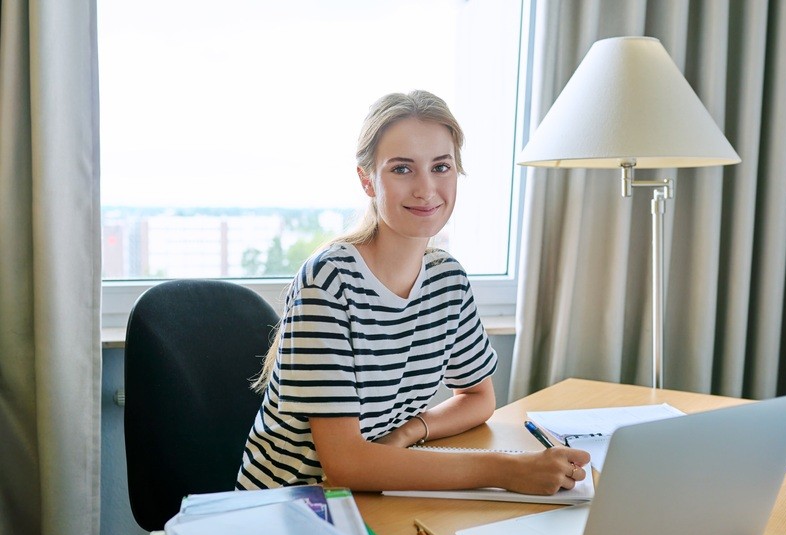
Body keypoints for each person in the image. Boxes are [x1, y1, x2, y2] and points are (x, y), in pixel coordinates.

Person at [236, 90, 589, 494]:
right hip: (292, 504)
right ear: (367, 180)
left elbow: (477, 397)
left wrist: (409, 431)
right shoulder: (329, 282)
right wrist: (505, 472)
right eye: (402, 170)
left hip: (378, 491)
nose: (426, 188)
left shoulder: (447, 279)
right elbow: (346, 465)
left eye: (441, 167)